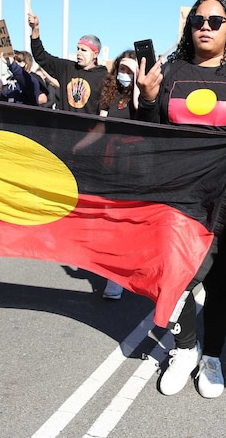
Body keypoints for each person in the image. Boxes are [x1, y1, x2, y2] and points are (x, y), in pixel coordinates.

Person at [136, 0, 226, 398]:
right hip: (178, 195)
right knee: (174, 278)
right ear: (188, 25)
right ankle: (184, 348)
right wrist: (146, 97)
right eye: (198, 19)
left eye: (216, 19)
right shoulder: (172, 70)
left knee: (219, 283)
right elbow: (148, 130)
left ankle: (212, 354)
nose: (206, 26)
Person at [96, 50, 140, 300]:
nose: (124, 75)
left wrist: (137, 80)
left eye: (130, 70)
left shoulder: (141, 95)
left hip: (134, 164)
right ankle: (116, 274)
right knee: (112, 220)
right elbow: (101, 126)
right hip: (111, 161)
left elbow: (138, 107)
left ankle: (122, 273)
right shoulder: (111, 95)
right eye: (122, 69)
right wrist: (79, 145)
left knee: (129, 221)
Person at [28, 13, 107, 115]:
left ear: (95, 54)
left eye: (84, 50)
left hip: (88, 129)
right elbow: (40, 56)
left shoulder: (103, 76)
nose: (79, 53)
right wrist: (35, 29)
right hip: (64, 128)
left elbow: (105, 108)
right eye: (78, 49)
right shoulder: (67, 68)